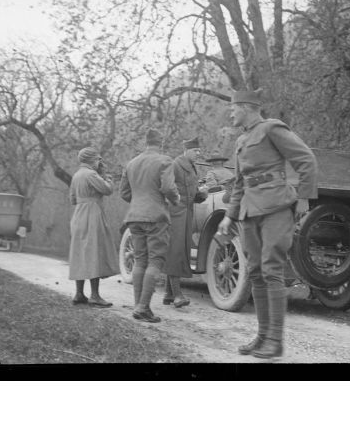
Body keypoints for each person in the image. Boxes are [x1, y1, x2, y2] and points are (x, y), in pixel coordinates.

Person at [218, 89, 318, 358]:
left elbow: (305, 159)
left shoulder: (271, 128)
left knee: (272, 270)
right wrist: (230, 214)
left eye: (234, 108)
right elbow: (240, 183)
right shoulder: (242, 139)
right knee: (255, 272)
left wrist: (304, 198)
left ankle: (276, 340)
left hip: (276, 207)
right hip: (250, 211)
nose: (231, 112)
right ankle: (262, 337)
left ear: (248, 107)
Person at [120, 128, 180, 323]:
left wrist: (139, 199)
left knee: (140, 261)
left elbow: (124, 193)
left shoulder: (131, 163)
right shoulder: (164, 161)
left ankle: (139, 306)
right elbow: (168, 188)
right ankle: (143, 307)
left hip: (134, 217)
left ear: (146, 142)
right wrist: (175, 199)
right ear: (160, 142)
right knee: (155, 262)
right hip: (156, 217)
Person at [68, 147, 119, 307]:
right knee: (93, 252)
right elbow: (107, 190)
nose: (99, 163)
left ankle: (79, 293)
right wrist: (108, 178)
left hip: (78, 215)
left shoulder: (76, 175)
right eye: (98, 160)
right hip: (92, 215)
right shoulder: (91, 174)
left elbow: (72, 199)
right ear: (91, 160)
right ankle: (95, 295)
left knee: (80, 253)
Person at [164, 137, 208, 308]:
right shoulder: (175, 164)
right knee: (175, 250)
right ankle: (177, 295)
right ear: (186, 150)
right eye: (195, 151)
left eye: (199, 150)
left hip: (187, 212)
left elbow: (193, 192)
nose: (198, 153)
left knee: (181, 250)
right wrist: (178, 201)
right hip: (175, 212)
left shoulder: (191, 167)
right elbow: (167, 187)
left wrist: (201, 194)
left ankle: (168, 294)